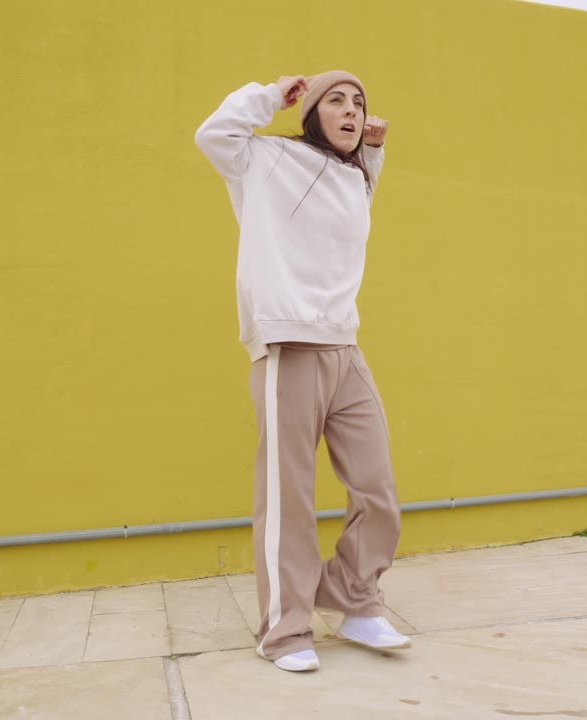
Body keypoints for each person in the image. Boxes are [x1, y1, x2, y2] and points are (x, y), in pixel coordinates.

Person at [194, 71, 410, 672]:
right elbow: (213, 134)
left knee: (378, 487)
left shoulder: (356, 177)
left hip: (345, 346)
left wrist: (373, 149)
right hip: (287, 344)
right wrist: (271, 93)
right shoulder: (264, 160)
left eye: (358, 101)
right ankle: (284, 630)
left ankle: (355, 600)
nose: (349, 109)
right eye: (335, 100)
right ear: (310, 111)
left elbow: (347, 214)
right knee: (288, 497)